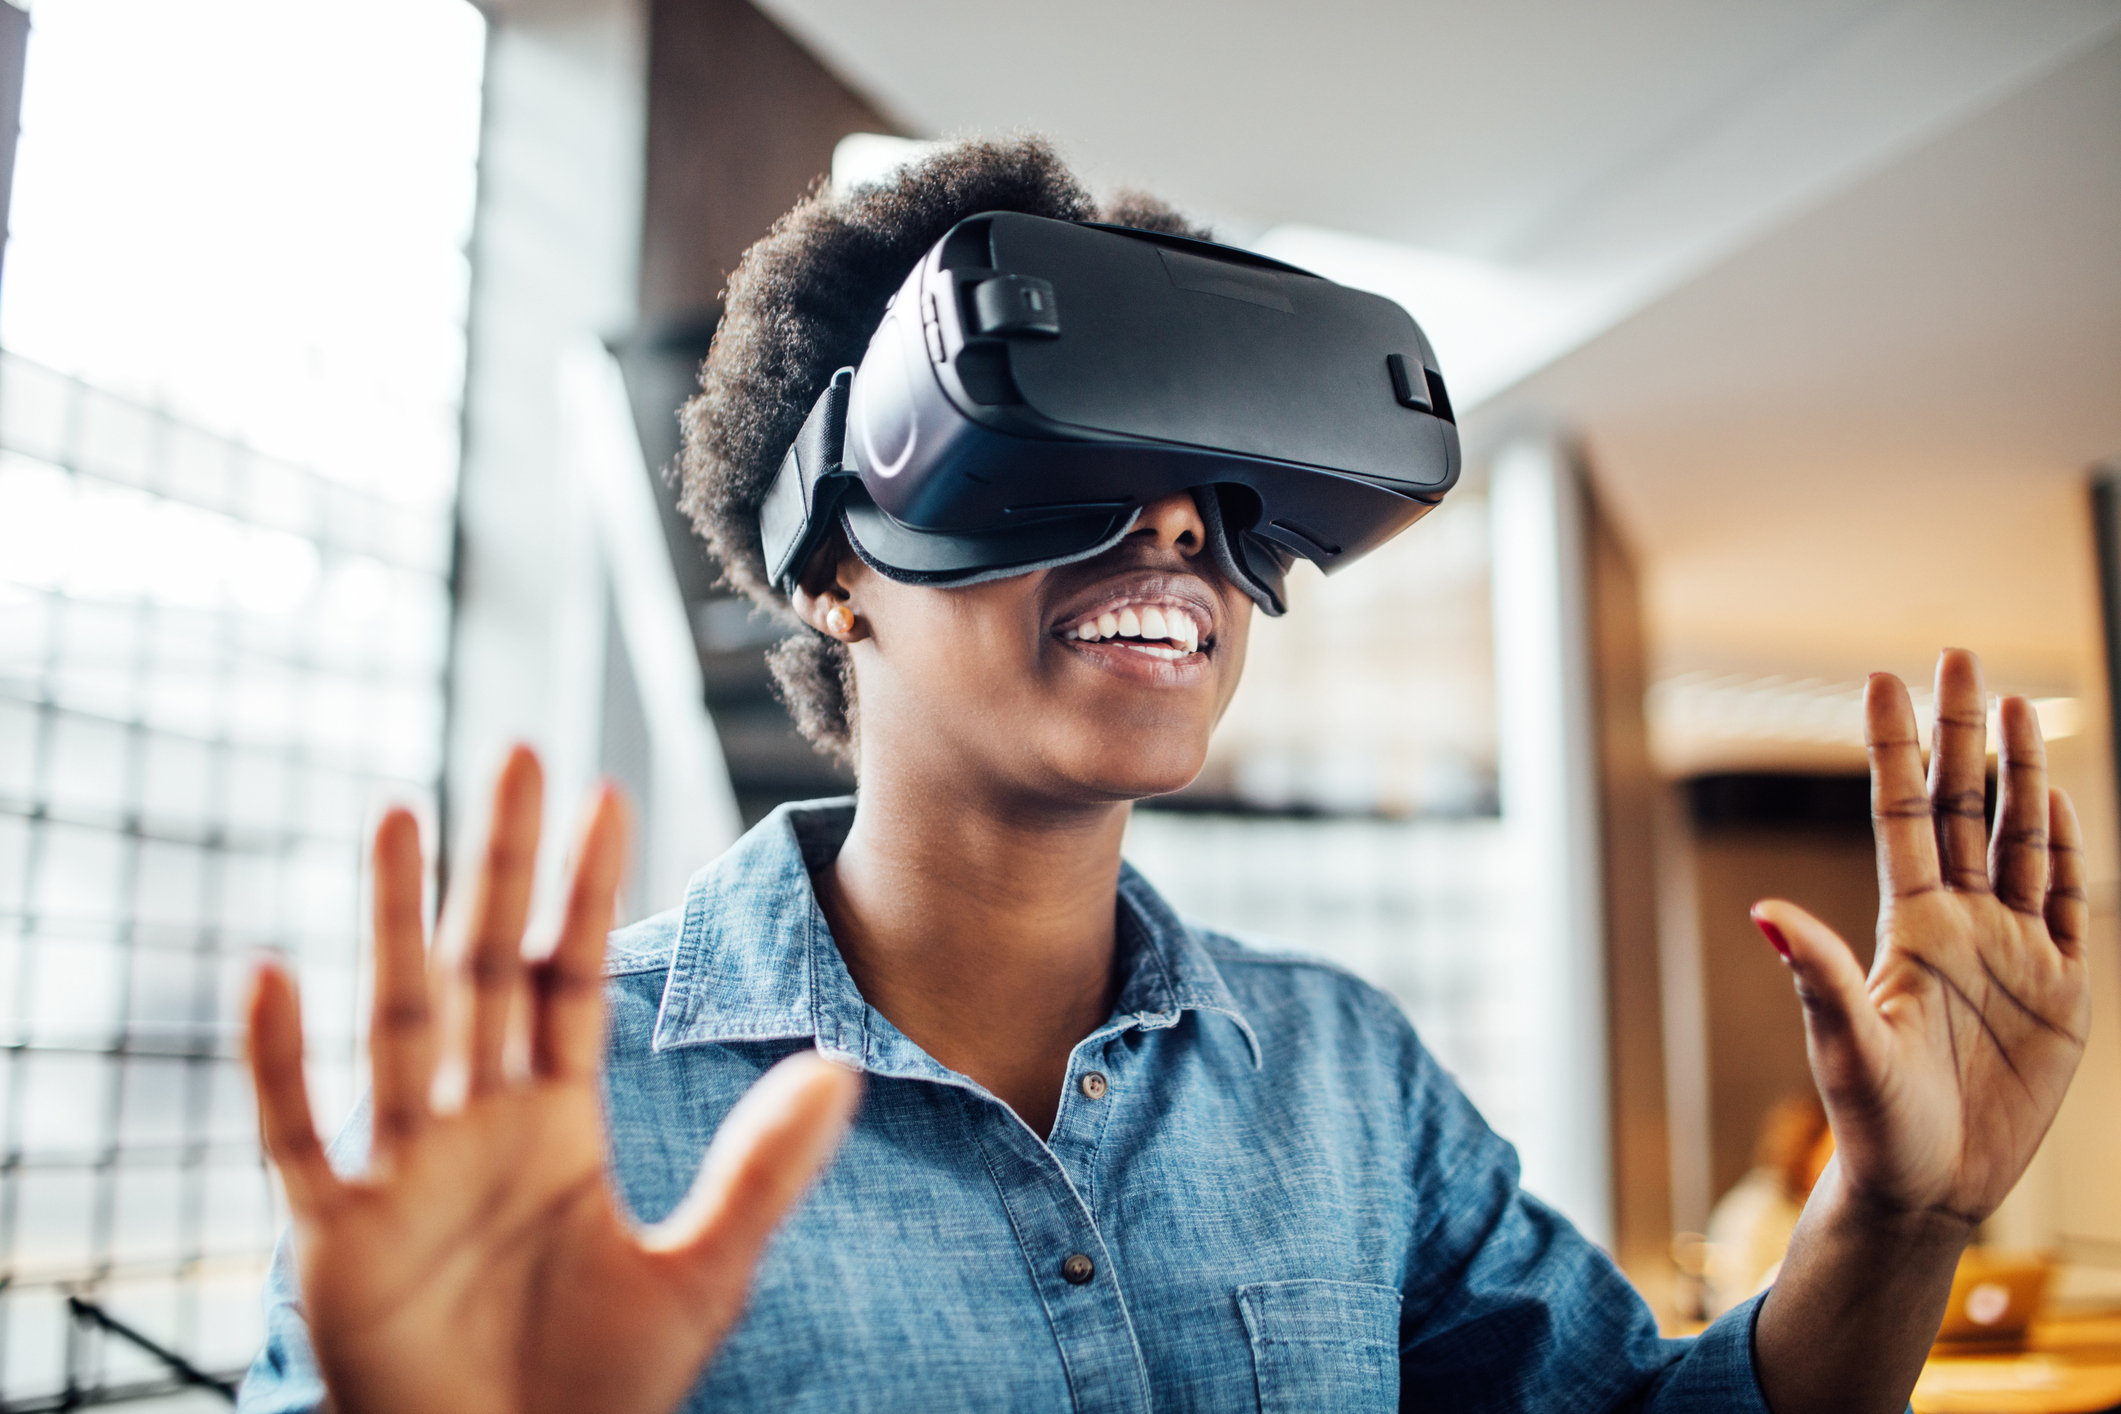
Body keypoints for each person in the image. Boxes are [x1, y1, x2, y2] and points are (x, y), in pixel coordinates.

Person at [235, 139, 2092, 1414]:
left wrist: (1899, 1219)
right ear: (832, 562)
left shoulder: (1347, 1078)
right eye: (1067, 455)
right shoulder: (558, 1104)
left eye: (1213, 486)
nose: (1181, 530)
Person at [1703, 1095, 1837, 1318]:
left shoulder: (1824, 1208)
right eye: (1835, 1151)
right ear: (1809, 1142)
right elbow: (1734, 1308)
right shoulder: (1753, 1210)